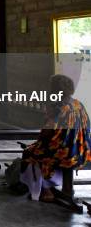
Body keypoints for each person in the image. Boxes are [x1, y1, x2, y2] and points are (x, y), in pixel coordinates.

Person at [20, 74, 91, 202]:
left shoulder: (58, 107)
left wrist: (38, 143)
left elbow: (47, 134)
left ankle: (45, 190)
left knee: (30, 153)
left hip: (64, 153)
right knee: (43, 150)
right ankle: (61, 187)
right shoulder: (78, 104)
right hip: (82, 151)